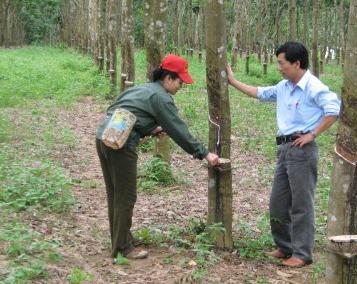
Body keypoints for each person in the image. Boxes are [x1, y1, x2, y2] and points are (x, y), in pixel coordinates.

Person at [226, 41, 340, 267]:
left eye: (282, 63)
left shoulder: (313, 87)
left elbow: (333, 110)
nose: (279, 67)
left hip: (302, 150)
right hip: (284, 149)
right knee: (278, 202)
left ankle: (302, 254)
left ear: (297, 63)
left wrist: (313, 134)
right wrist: (233, 81)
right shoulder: (284, 86)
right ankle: (284, 246)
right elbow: (260, 93)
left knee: (301, 203)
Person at [96, 54, 220, 260]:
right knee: (125, 196)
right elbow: (179, 131)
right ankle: (122, 248)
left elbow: (116, 109)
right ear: (168, 78)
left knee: (115, 193)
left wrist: (150, 128)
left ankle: (121, 238)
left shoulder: (142, 88)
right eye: (180, 81)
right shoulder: (161, 97)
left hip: (104, 136)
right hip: (121, 144)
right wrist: (205, 153)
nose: (181, 86)